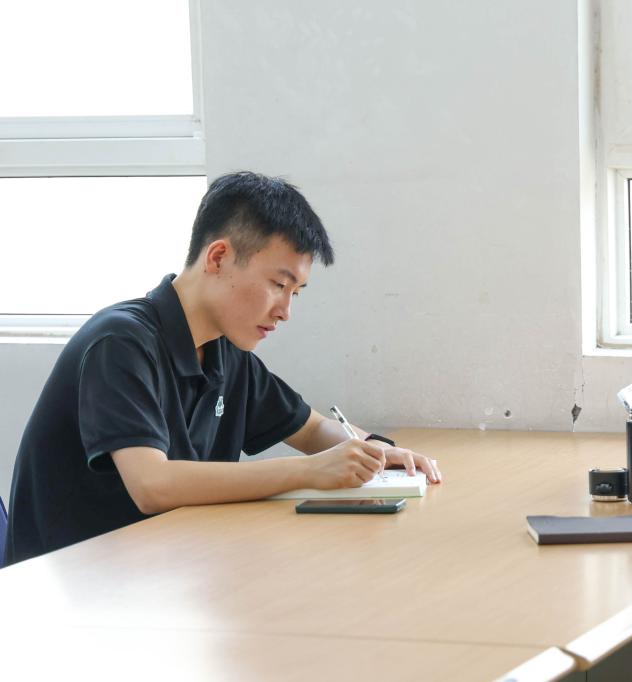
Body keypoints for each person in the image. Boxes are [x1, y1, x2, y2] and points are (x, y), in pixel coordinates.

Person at [4, 171, 442, 565]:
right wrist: (311, 471)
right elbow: (152, 484)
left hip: (164, 569)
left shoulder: (224, 352)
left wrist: (376, 451)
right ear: (217, 258)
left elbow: (310, 429)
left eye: (296, 292)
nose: (285, 310)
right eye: (278, 284)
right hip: (71, 587)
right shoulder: (120, 342)